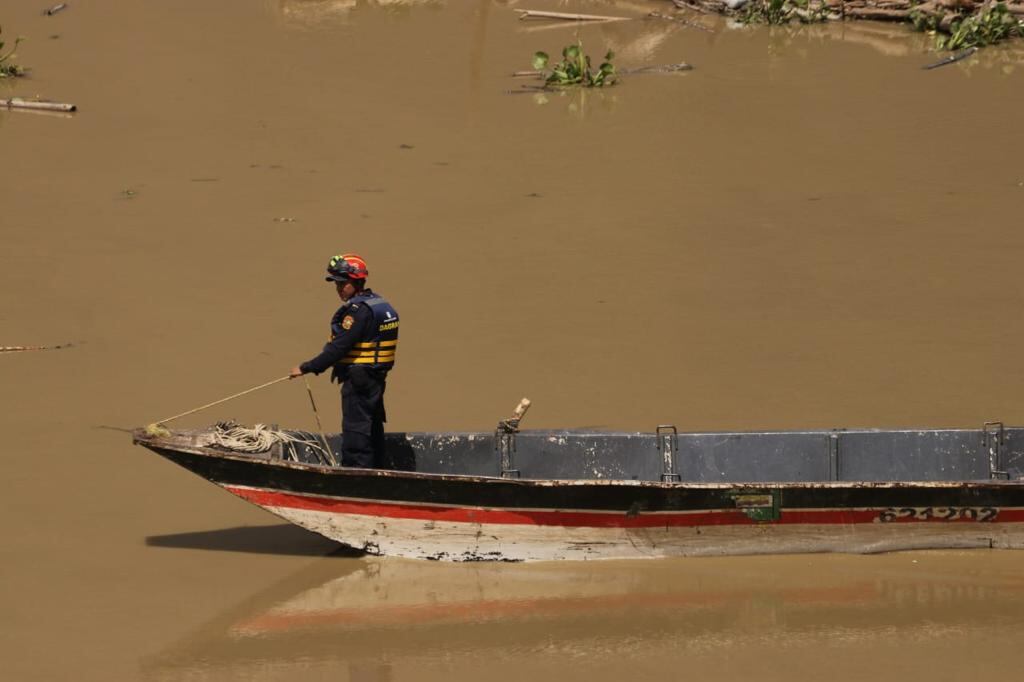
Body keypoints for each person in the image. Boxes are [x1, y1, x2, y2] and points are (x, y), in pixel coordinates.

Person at [289, 253, 399, 468]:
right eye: (337, 284)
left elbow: (339, 347)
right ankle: (377, 468)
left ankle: (357, 473)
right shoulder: (379, 303)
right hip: (375, 376)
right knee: (373, 425)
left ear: (357, 282)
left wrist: (307, 367)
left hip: (359, 377)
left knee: (356, 429)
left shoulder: (358, 312)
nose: (339, 289)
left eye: (343, 283)